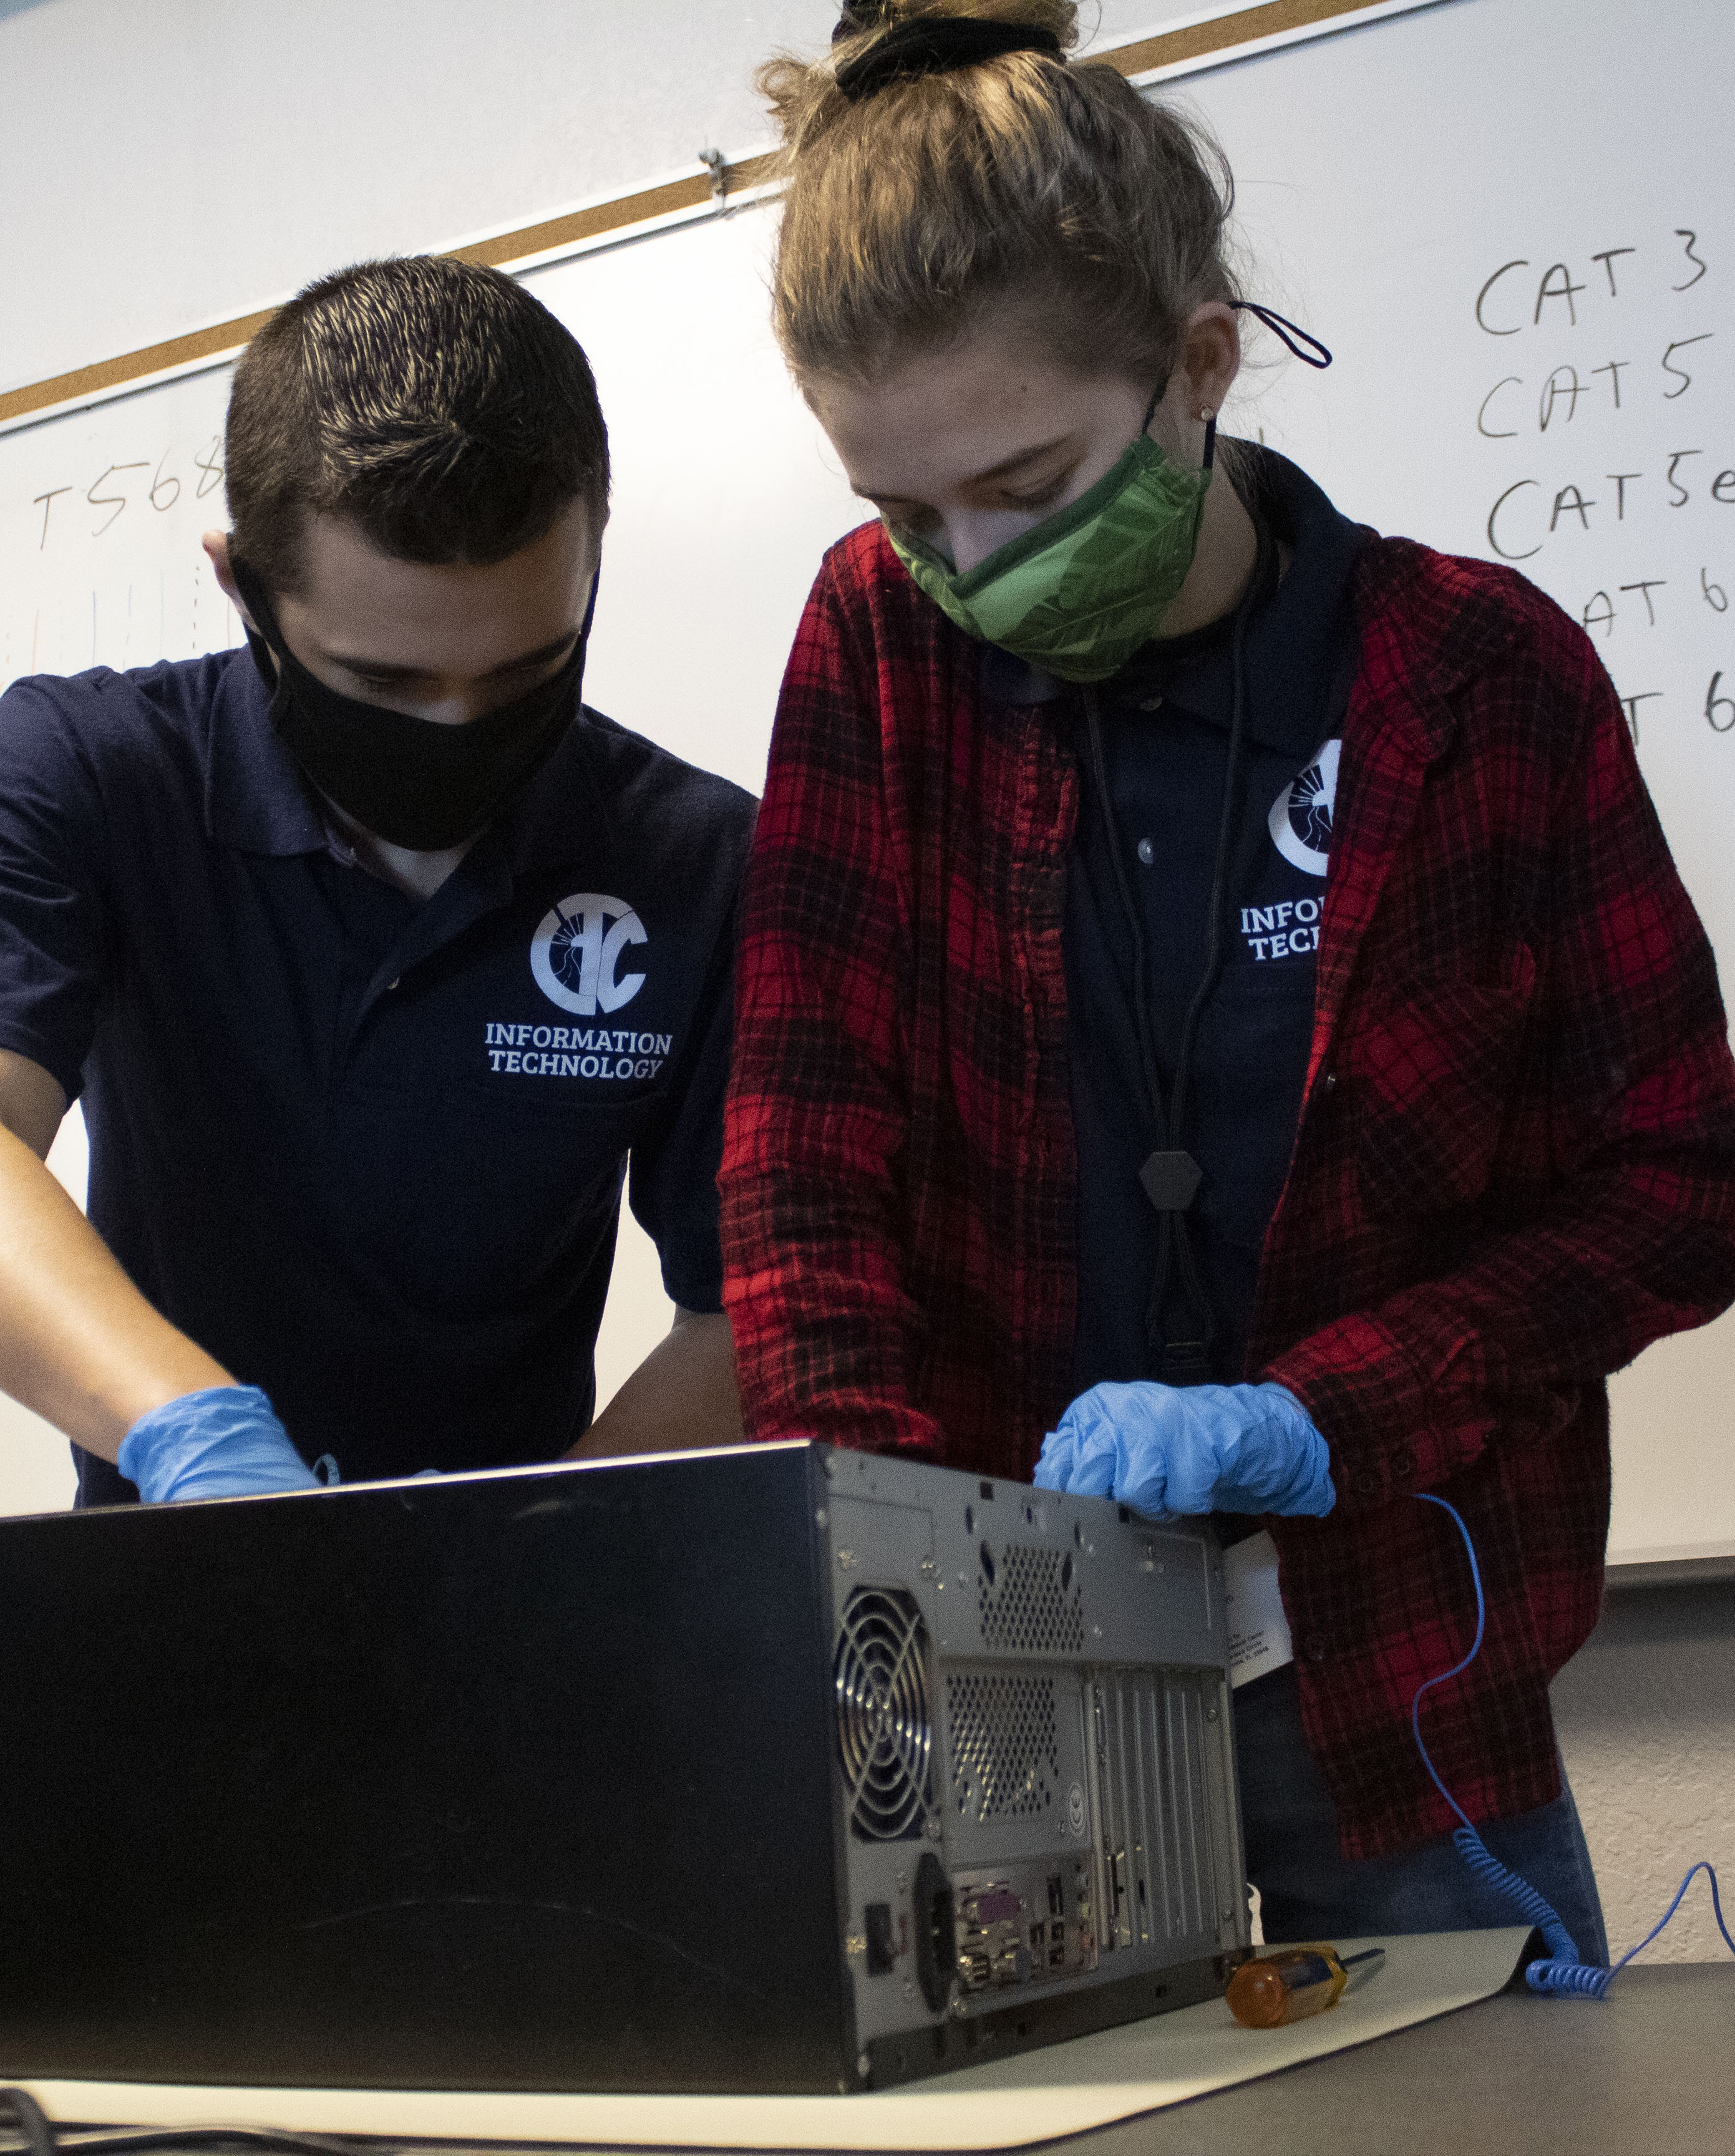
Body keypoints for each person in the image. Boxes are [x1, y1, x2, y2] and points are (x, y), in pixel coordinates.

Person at [719, 0, 1735, 1957]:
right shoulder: (878, 647)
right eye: (905, 513)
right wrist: (891, 1605)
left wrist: (1321, 1412)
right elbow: (802, 1166)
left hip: (1406, 1687)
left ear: (1199, 368)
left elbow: (1685, 1182)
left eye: (1024, 485)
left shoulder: (1477, 679)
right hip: (1019, 1693)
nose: (971, 563)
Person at [0, 256, 751, 1508]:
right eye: (386, 685)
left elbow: (753, 1309)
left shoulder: (701, 863)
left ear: (593, 551)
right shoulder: (89, 774)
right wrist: (191, 1433)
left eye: (524, 674)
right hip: (169, 1587)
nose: (458, 723)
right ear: (244, 590)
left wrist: (536, 1554)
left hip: (520, 1618)